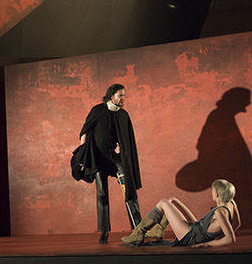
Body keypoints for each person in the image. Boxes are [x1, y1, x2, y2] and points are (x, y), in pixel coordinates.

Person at [72, 84, 142, 243]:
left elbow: (125, 138)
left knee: (128, 188)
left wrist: (121, 147)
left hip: (115, 158)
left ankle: (138, 228)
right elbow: (85, 131)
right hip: (98, 158)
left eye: (124, 95)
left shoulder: (123, 115)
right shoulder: (98, 110)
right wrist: (82, 153)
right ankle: (104, 231)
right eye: (120, 95)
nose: (123, 98)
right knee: (102, 192)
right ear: (111, 95)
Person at [121, 179, 241, 248]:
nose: (212, 193)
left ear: (217, 194)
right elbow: (236, 225)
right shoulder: (231, 203)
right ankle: (157, 231)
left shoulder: (220, 212)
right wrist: (214, 234)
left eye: (212, 191)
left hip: (191, 236)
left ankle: (138, 232)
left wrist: (208, 243)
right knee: (170, 202)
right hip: (196, 229)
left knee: (163, 203)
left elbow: (230, 239)